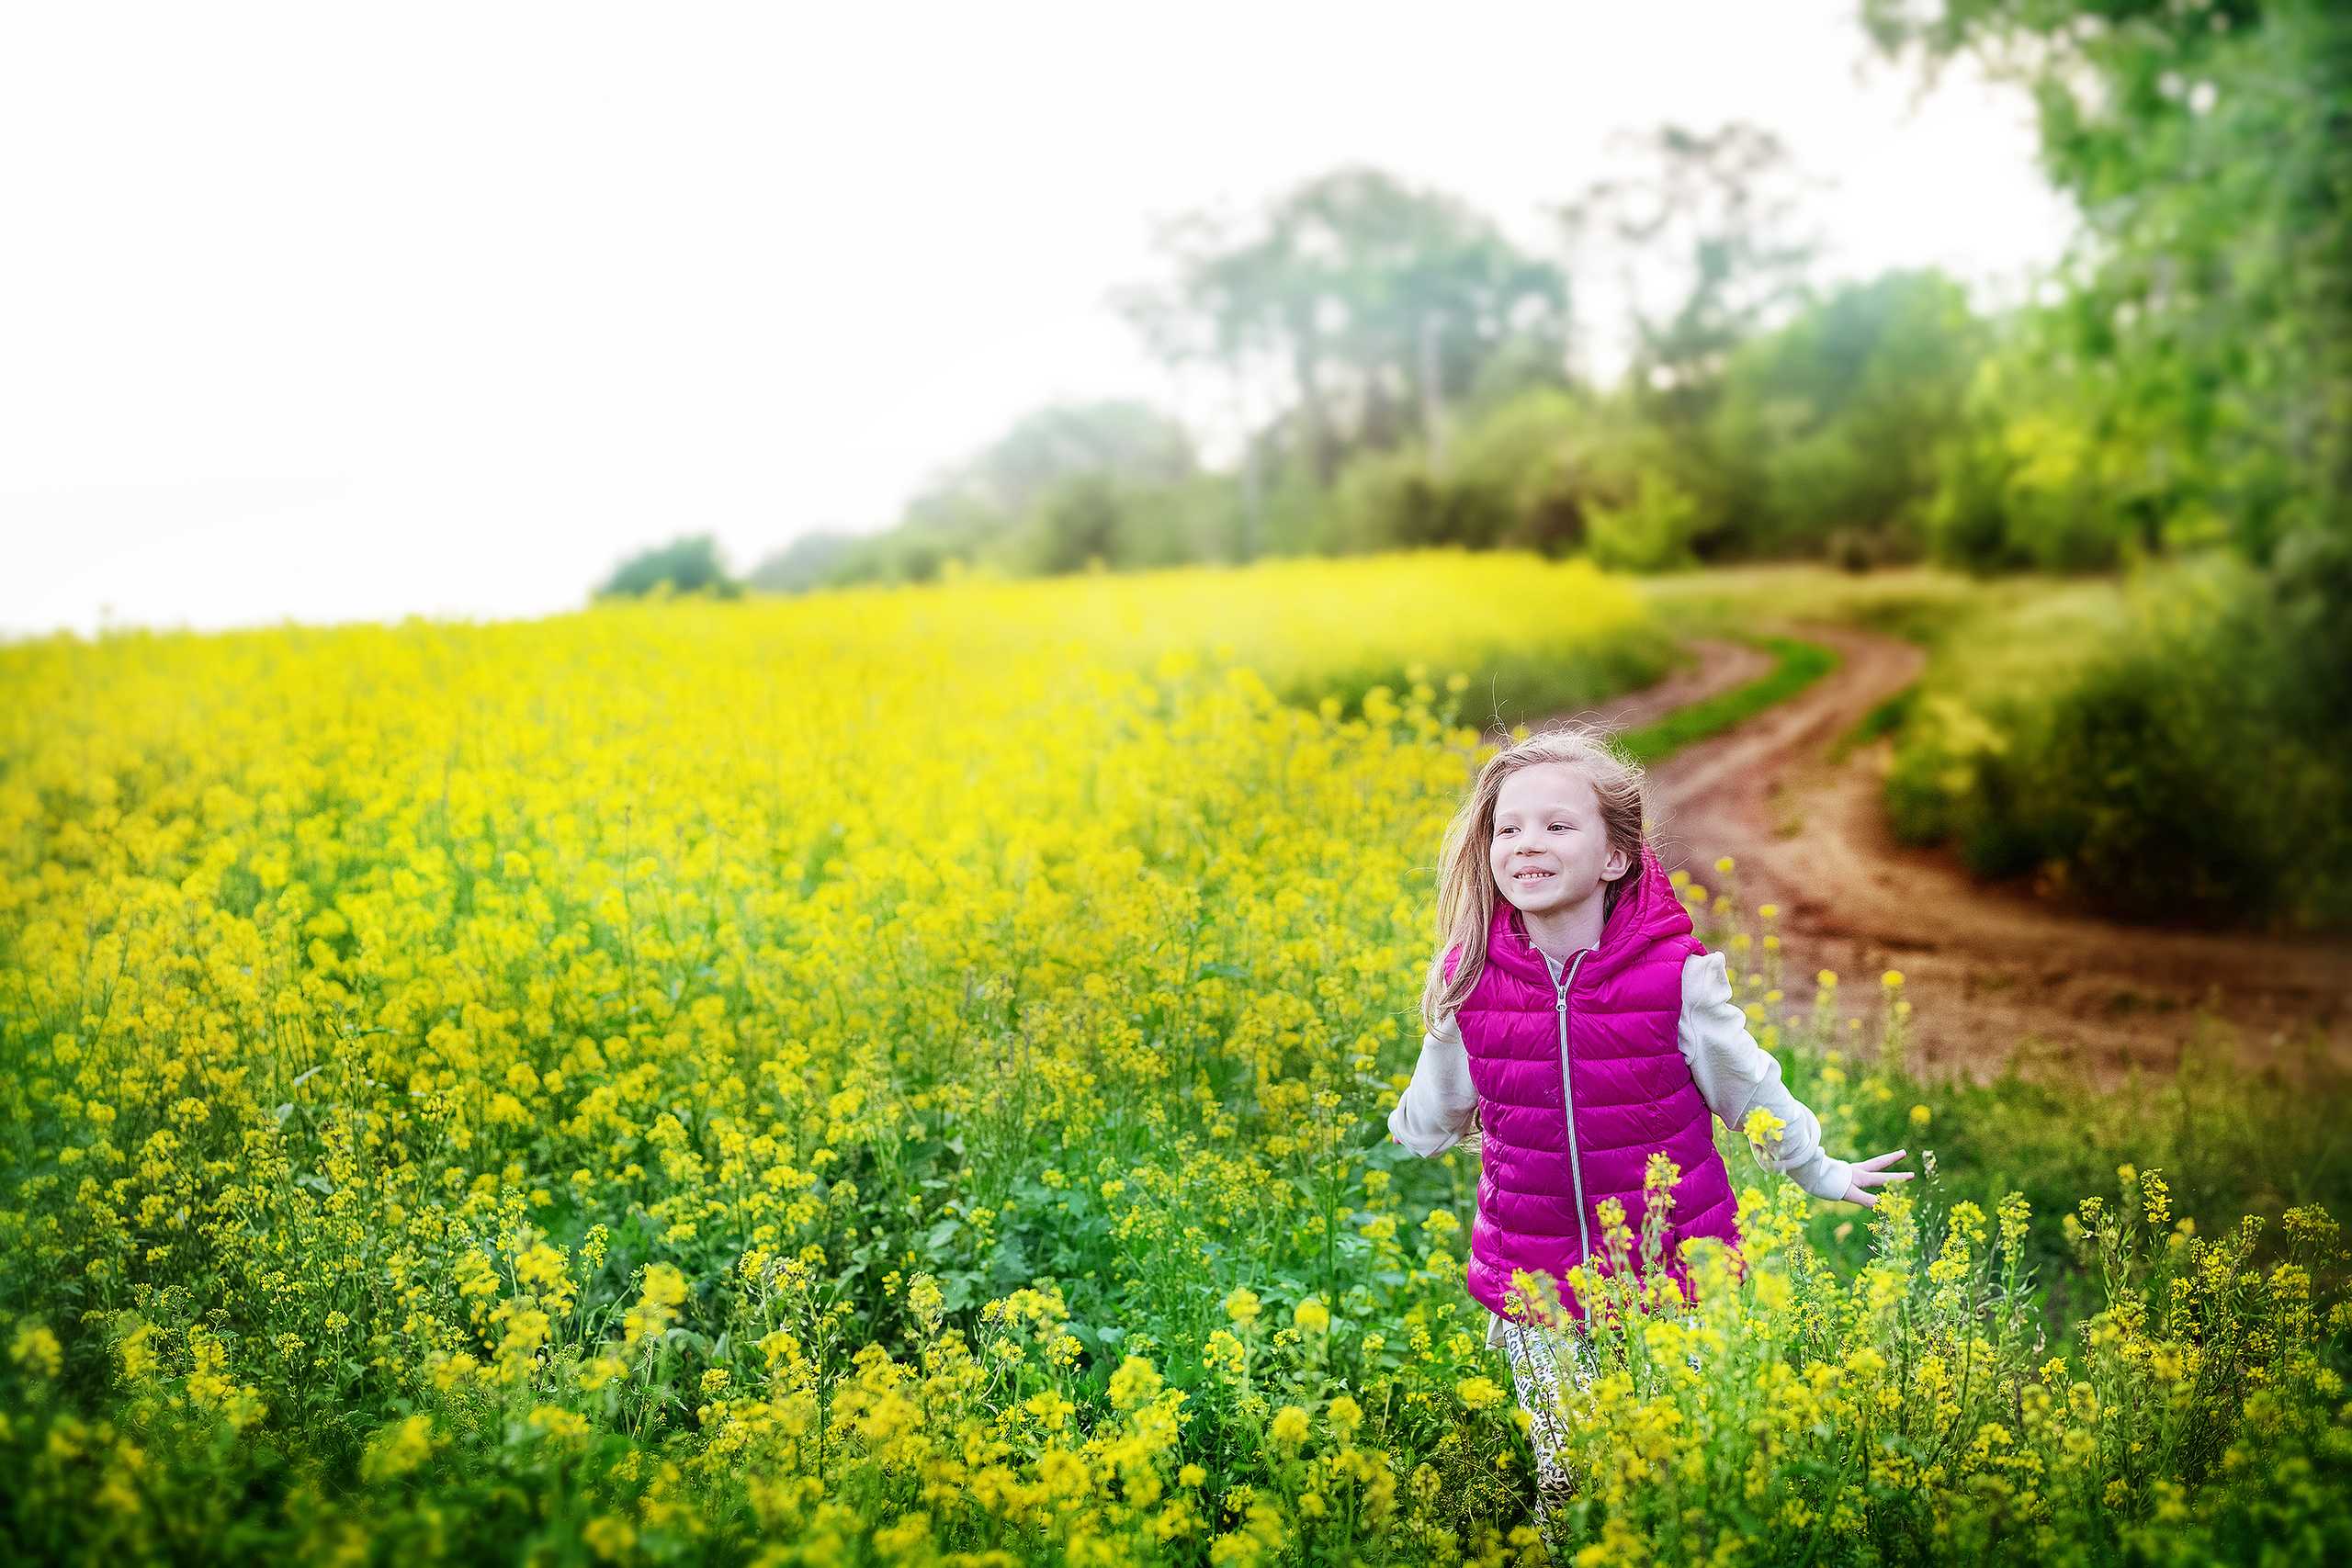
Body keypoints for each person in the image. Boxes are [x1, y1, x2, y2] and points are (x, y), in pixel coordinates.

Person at [1385, 727, 1909, 1524]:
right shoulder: (1471, 976)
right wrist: (1424, 1085)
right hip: (1538, 1281)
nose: (1527, 841)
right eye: (1508, 827)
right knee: (1565, 1479)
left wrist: (1822, 1170)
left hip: (1672, 1273)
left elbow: (1751, 1092)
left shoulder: (1678, 977)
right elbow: (1431, 1116)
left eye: (1558, 825)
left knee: (1674, 1473)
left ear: (1616, 857)